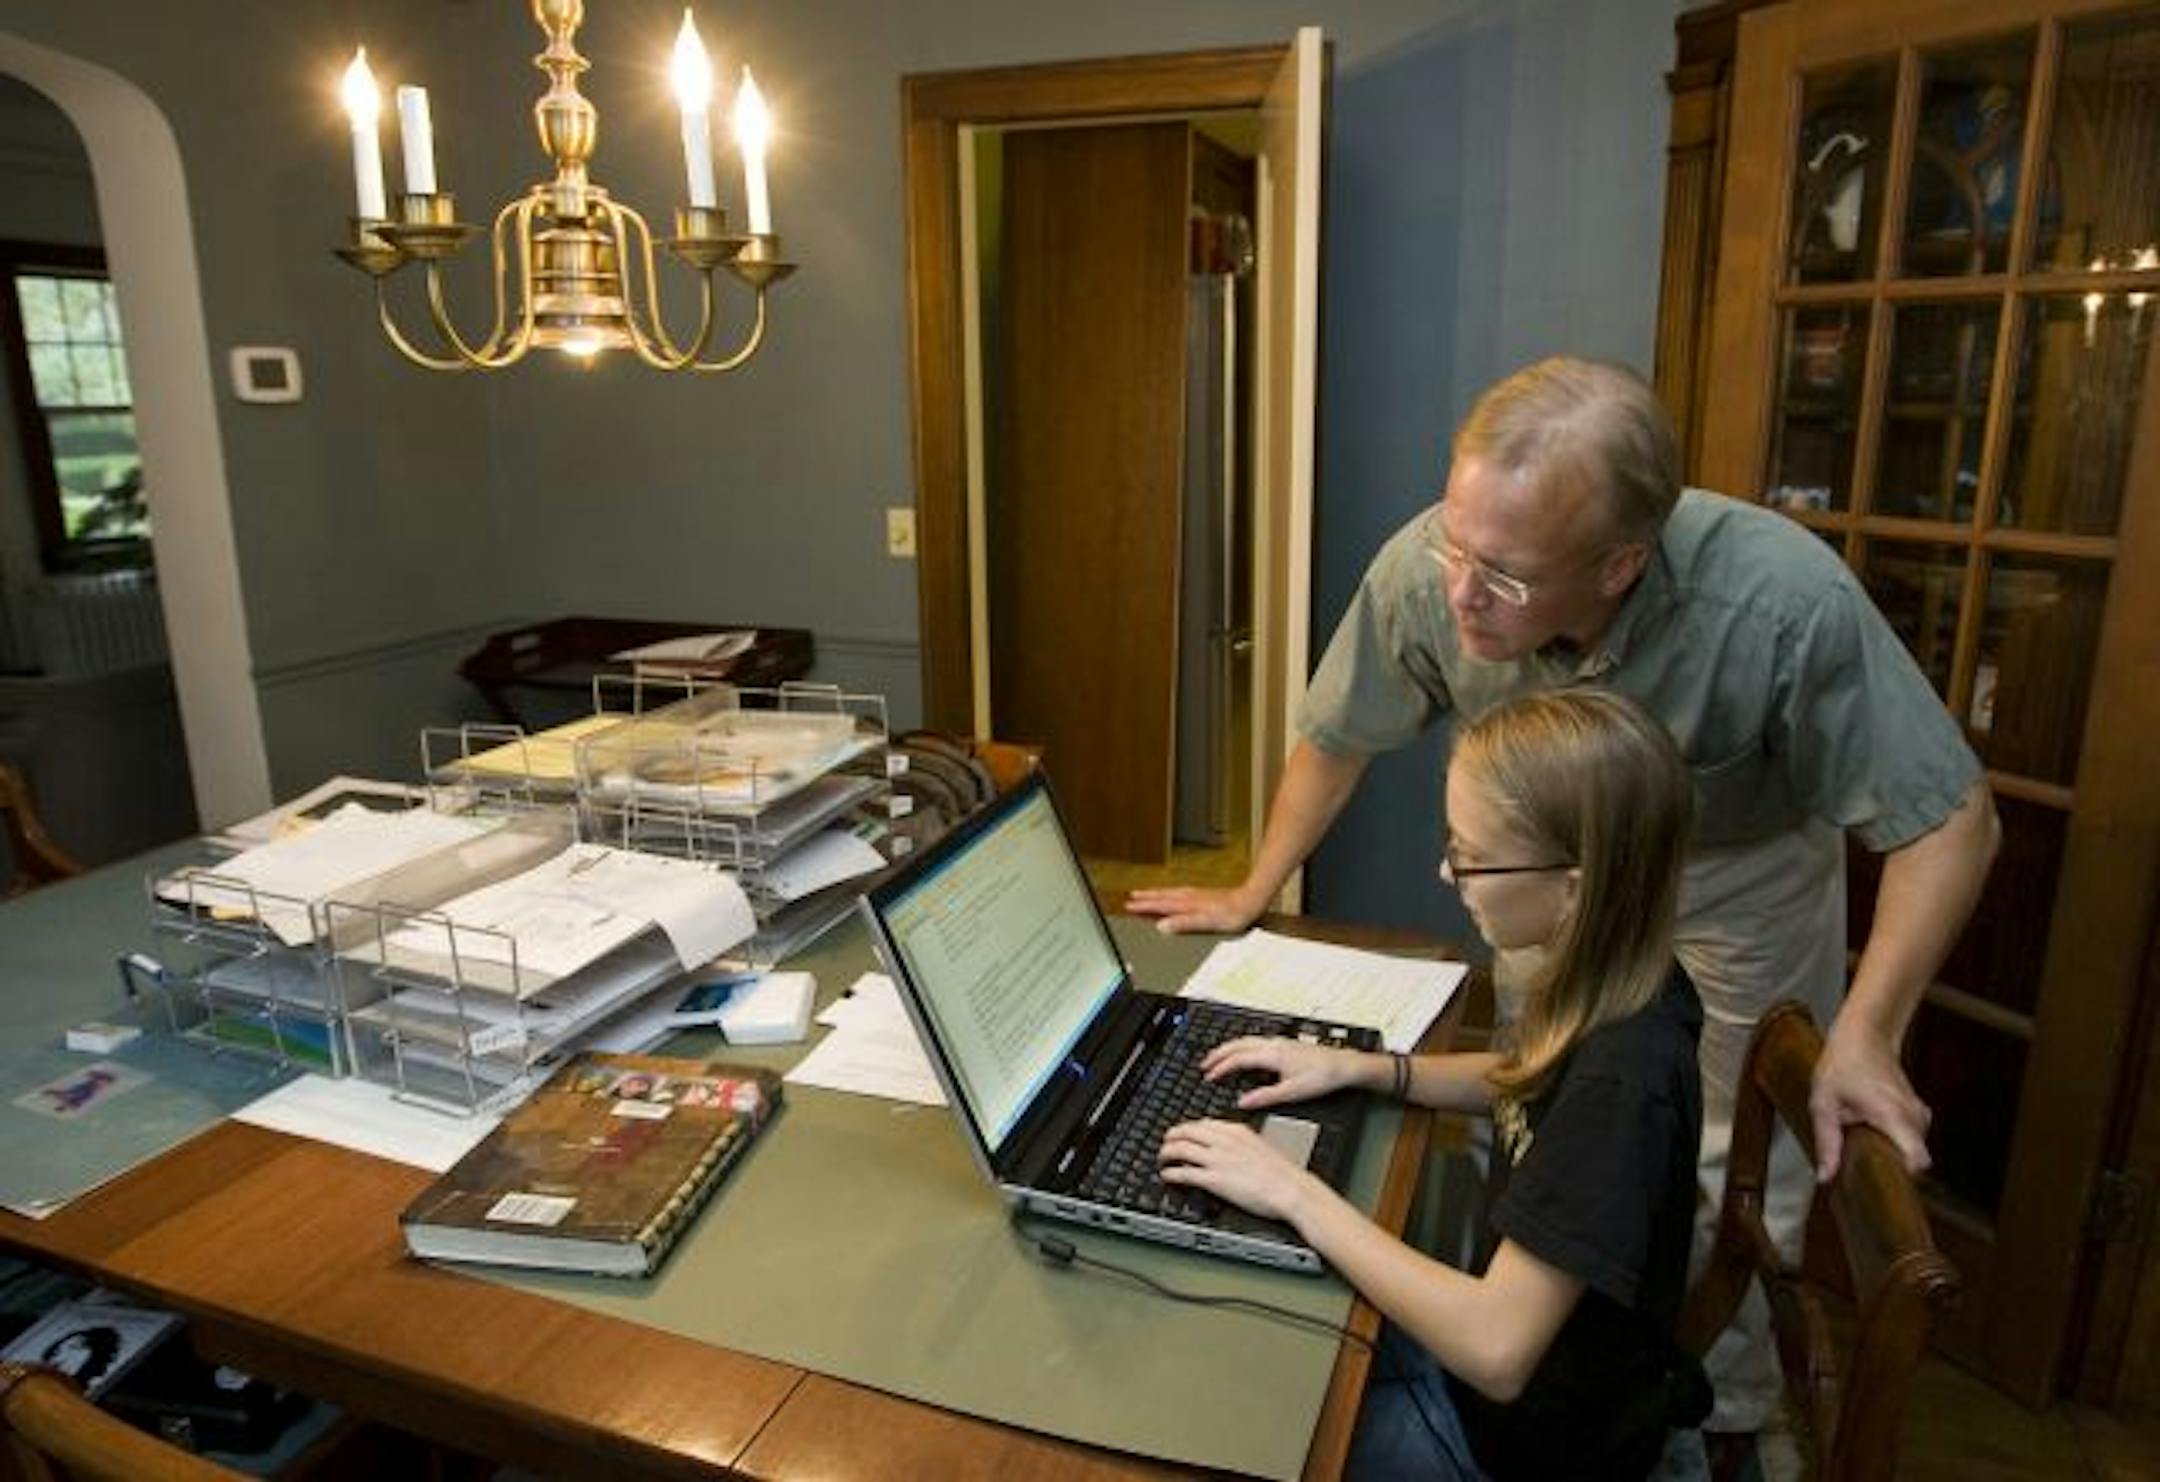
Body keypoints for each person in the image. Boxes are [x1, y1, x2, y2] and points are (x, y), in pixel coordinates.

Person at [1130, 356, 1999, 1435]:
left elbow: (1950, 820)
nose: (1461, 594)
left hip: (1737, 877)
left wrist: (1871, 1031)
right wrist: (1255, 887)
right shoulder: (1435, 566)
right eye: (1457, 546)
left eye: (1504, 575)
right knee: (1556, 1114)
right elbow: (1338, 731)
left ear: (1620, 564)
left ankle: (1698, 1425)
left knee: (1716, 1159)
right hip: (1546, 878)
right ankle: (1521, 1306)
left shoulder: (1779, 601)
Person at [1161, 688, 1706, 1479]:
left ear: (1575, 885)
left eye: (1475, 856)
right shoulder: (1622, 976)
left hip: (1509, 1449)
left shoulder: (1629, 1077)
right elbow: (1534, 1078)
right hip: (1507, 1400)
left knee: (1243, 1423)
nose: (1447, 871)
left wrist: (1292, 1192)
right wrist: (1370, 1069)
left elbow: (1495, 1349)